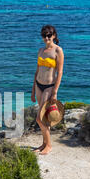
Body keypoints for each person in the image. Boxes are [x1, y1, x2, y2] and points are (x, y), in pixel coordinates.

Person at [31, 25, 64, 155]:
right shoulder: (40, 51)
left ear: (54, 36)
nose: (46, 38)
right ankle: (44, 143)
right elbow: (37, 71)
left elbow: (60, 72)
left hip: (49, 87)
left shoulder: (58, 51)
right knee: (44, 118)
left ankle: (49, 145)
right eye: (44, 35)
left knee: (40, 119)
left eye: (49, 35)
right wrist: (33, 90)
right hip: (39, 85)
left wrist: (55, 91)